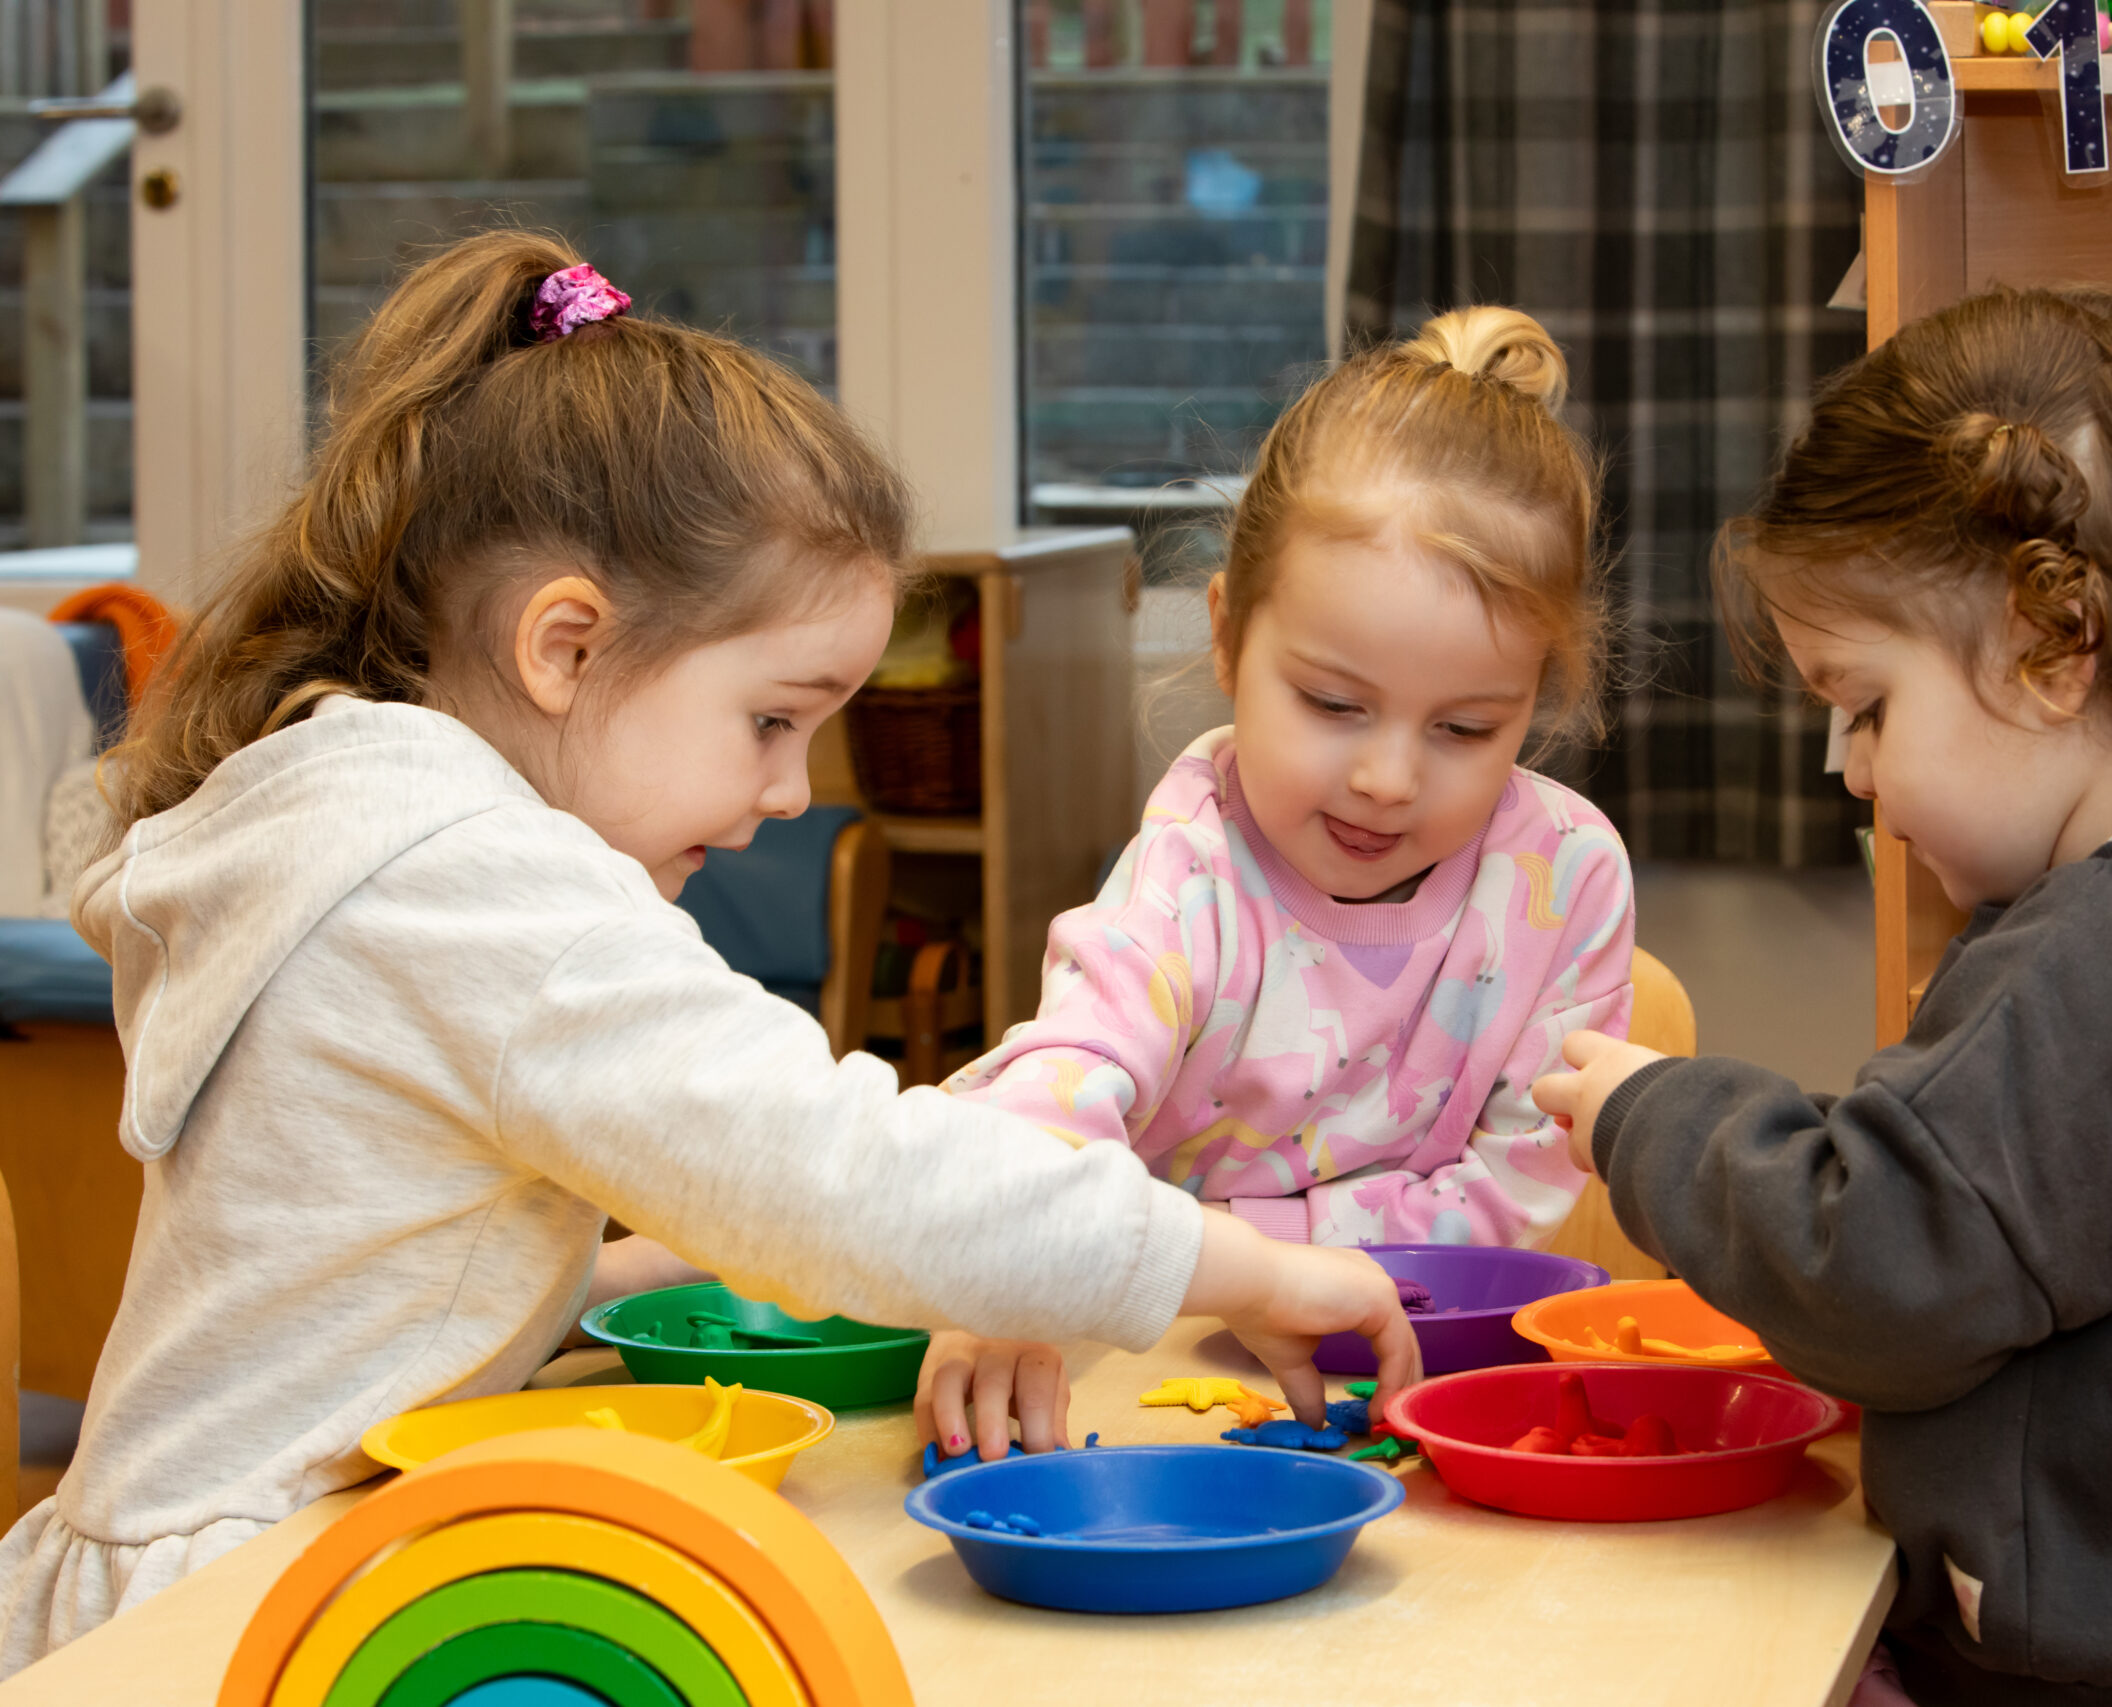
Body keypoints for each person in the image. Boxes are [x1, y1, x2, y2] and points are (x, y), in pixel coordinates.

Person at [0, 232, 1416, 1674]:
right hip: (237, 1620)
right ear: (566, 648)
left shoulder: (358, 819)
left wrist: (645, 1257)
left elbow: (380, 1268)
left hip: (217, 1573)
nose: (794, 790)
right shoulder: (473, 880)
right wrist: (1237, 1267)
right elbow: (831, 1169)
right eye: (771, 720)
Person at [1532, 284, 2112, 1706]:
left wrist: (1648, 1116)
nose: (1849, 769)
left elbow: (1871, 1268)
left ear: (2054, 646)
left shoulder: (2090, 959)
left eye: (1868, 705)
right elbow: (1969, 1194)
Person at [923, 307, 1634, 1444]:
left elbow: (1506, 1205)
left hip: (1391, 1364)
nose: (1388, 780)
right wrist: (1013, 1273)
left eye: (1464, 728)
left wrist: (1219, 1246)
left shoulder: (1569, 877)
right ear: (1225, 636)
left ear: (1535, 698)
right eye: (1334, 704)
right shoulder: (1189, 868)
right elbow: (1061, 1082)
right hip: (1141, 1356)